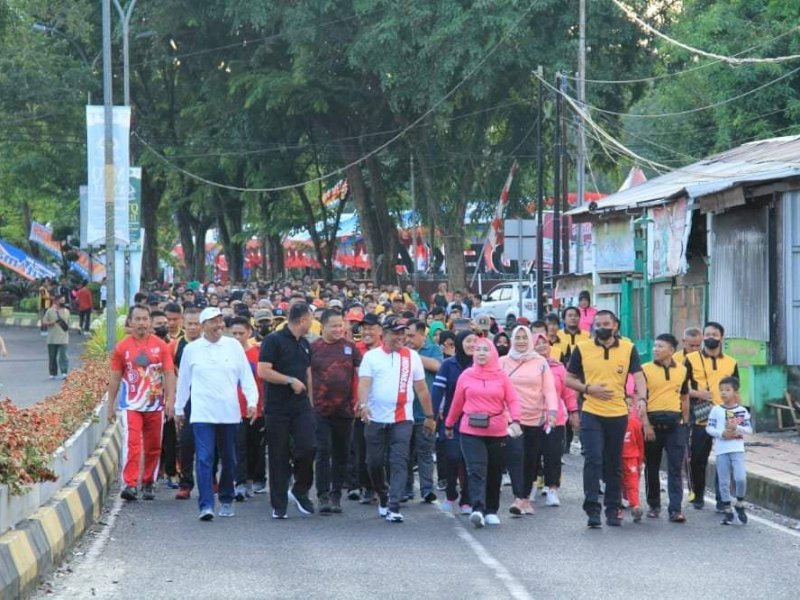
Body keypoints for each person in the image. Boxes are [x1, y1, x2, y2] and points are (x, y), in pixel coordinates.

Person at [565, 309, 647, 528]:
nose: (602, 327)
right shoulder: (582, 348)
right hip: (592, 411)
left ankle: (613, 509)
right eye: (598, 323)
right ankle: (592, 510)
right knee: (593, 459)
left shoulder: (628, 348)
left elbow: (638, 376)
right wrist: (588, 389)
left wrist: (642, 399)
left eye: (606, 323)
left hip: (618, 413)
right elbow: (568, 379)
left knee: (614, 462)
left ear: (615, 326)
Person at [175, 307, 258, 520]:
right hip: (202, 414)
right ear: (203, 326)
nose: (218, 325)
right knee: (204, 458)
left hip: (229, 413)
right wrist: (178, 408)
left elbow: (246, 376)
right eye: (213, 321)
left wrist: (252, 401)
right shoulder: (192, 350)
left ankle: (227, 498)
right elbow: (183, 381)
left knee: (229, 458)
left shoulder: (233, 347)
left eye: (220, 320)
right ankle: (206, 505)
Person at [357, 316, 436, 523]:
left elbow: (421, 388)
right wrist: (363, 405)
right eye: (396, 333)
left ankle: (393, 505)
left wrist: (429, 416)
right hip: (375, 418)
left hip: (403, 419)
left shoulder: (412, 357)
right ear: (384, 335)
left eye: (403, 333)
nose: (400, 337)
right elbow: (364, 384)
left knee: (399, 461)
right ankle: (383, 494)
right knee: (373, 462)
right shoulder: (371, 357)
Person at [445, 337, 522, 528]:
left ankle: (491, 510)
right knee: (476, 470)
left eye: (485, 349)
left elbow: (512, 400)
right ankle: (477, 508)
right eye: (477, 350)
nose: (480, 353)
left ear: (493, 353)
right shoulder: (466, 375)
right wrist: (448, 424)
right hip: (470, 430)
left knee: (494, 471)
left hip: (497, 430)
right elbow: (457, 403)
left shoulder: (501, 376)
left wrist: (516, 420)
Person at [106, 305, 176, 502]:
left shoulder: (160, 346)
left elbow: (169, 373)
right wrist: (110, 405)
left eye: (145, 319)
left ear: (150, 322)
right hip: (131, 406)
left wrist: (170, 400)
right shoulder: (122, 347)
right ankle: (129, 484)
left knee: (154, 446)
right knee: (132, 444)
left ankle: (148, 482)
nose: (142, 323)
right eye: (137, 319)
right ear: (130, 322)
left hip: (155, 405)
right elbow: (115, 377)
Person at [258, 302, 317, 519]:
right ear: (302, 319)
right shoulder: (273, 340)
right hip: (277, 406)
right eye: (311, 318)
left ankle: (300, 489)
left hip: (301, 406)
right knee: (278, 454)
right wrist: (289, 380)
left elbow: (308, 374)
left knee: (308, 447)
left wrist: (310, 404)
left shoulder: (305, 344)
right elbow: (263, 371)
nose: (312, 322)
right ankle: (279, 503)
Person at [500, 326, 557, 517]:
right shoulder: (502, 362)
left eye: (525, 337)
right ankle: (517, 497)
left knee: (531, 459)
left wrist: (552, 411)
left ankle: (525, 498)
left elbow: (549, 389)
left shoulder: (540, 362)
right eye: (518, 337)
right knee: (515, 455)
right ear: (512, 340)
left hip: (536, 418)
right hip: (512, 418)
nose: (521, 341)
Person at [311, 309, 362, 514]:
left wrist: (362, 400)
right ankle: (322, 495)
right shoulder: (313, 347)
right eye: (333, 325)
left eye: (341, 325)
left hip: (345, 409)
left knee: (341, 453)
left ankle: (335, 495)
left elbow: (362, 374)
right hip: (320, 409)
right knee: (323, 451)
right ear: (322, 326)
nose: (338, 329)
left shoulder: (350, 347)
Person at [685, 322, 739, 510]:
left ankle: (722, 499)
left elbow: (736, 391)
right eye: (707, 334)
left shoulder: (731, 362)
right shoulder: (690, 359)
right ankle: (698, 495)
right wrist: (698, 394)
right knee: (698, 457)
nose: (710, 337)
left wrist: (737, 418)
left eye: (714, 334)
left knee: (725, 459)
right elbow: (682, 389)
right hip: (701, 414)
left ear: (721, 337)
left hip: (725, 415)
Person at [643, 333, 690, 523]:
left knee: (675, 468)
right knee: (651, 467)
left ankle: (675, 509)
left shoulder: (683, 370)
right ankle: (654, 505)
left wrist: (684, 422)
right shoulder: (644, 370)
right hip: (652, 425)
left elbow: (685, 397)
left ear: (671, 350)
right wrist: (646, 424)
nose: (655, 349)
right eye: (654, 346)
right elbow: (641, 399)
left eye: (660, 346)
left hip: (675, 425)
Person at [532, 332, 579, 506]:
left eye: (545, 343)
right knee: (532, 454)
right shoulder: (526, 366)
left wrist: (574, 412)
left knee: (553, 455)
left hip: (555, 418)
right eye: (538, 343)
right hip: (531, 417)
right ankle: (530, 487)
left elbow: (568, 392)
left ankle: (552, 489)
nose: (542, 346)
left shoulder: (558, 367)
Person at [432, 330, 476, 514]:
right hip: (451, 420)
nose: (472, 345)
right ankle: (451, 495)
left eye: (475, 341)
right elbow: (437, 392)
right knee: (452, 458)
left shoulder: (481, 364)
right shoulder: (448, 365)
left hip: (475, 421)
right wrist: (431, 417)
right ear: (459, 343)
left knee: (469, 461)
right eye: (468, 341)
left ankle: (466, 500)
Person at [405, 319, 443, 503]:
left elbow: (438, 366)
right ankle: (405, 489)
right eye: (406, 336)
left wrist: (412, 356)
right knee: (404, 453)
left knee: (425, 453)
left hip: (425, 412)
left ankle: (427, 489)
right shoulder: (401, 350)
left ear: (423, 334)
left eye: (411, 336)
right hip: (404, 412)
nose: (408, 339)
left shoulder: (433, 349)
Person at [706, 377, 752, 525]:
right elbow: (709, 428)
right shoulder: (716, 410)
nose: (724, 393)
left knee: (740, 478)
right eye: (721, 390)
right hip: (721, 450)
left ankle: (739, 502)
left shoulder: (741, 410)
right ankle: (727, 510)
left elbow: (749, 429)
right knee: (724, 481)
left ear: (735, 392)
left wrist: (737, 428)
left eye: (727, 390)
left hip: (737, 449)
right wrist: (721, 434)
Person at [230, 316, 265, 502]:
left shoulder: (258, 353)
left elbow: (263, 380)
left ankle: (254, 479)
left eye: (241, 333)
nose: (237, 337)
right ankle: (240, 482)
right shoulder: (226, 353)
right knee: (239, 447)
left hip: (256, 408)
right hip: (234, 409)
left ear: (249, 333)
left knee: (255, 447)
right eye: (234, 333)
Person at [348, 313, 382, 503]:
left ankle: (382, 486)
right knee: (361, 450)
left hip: (383, 408)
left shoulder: (388, 350)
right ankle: (367, 488)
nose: (367, 332)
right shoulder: (355, 349)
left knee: (380, 452)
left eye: (371, 328)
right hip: (359, 408)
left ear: (380, 330)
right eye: (364, 328)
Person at [173, 307, 203, 499]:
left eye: (197, 324)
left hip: (207, 397)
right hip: (186, 399)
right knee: (185, 441)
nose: (193, 328)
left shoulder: (210, 344)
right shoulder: (176, 346)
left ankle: (210, 480)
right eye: (190, 324)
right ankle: (185, 483)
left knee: (211, 441)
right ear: (183, 324)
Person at [622, 397, 645, 523]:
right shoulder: (614, 423)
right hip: (617, 457)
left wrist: (640, 461)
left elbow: (640, 443)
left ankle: (635, 505)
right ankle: (616, 507)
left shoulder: (635, 424)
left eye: (630, 406)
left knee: (633, 482)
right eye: (625, 405)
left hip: (631, 458)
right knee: (617, 482)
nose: (628, 409)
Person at [42, 294, 70, 379]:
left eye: (64, 301)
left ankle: (64, 372)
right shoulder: (50, 311)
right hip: (52, 338)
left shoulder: (66, 311)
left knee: (63, 356)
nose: (63, 302)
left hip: (63, 338)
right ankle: (53, 373)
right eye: (61, 300)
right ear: (56, 301)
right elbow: (44, 322)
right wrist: (52, 322)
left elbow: (67, 323)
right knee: (52, 357)